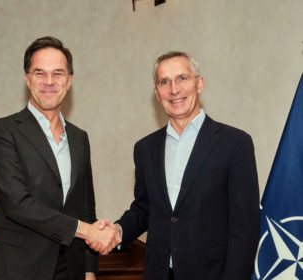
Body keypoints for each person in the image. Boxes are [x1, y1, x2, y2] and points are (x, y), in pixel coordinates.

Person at [99, 51, 260, 280]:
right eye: (164, 82)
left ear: (199, 83)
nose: (174, 89)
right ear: (157, 93)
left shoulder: (235, 143)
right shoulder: (144, 149)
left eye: (182, 78)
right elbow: (145, 209)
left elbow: (245, 227)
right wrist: (117, 231)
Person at [0, 36, 120, 280]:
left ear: (69, 81)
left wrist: (89, 271)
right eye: (39, 73)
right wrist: (87, 231)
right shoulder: (1, 132)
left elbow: (85, 207)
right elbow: (18, 204)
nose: (49, 81)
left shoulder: (79, 138)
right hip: (17, 270)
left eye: (57, 73)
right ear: (27, 79)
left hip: (70, 270)